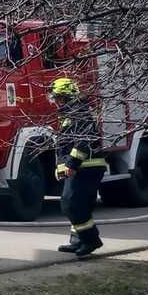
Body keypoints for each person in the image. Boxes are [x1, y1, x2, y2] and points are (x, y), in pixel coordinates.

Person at [50, 77, 106, 257]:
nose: (56, 101)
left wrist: (73, 164)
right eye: (55, 98)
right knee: (79, 203)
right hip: (82, 167)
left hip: (87, 166)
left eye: (59, 97)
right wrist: (60, 168)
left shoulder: (80, 112)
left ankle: (91, 239)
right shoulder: (68, 114)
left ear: (69, 96)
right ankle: (77, 240)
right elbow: (63, 145)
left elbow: (83, 140)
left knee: (70, 203)